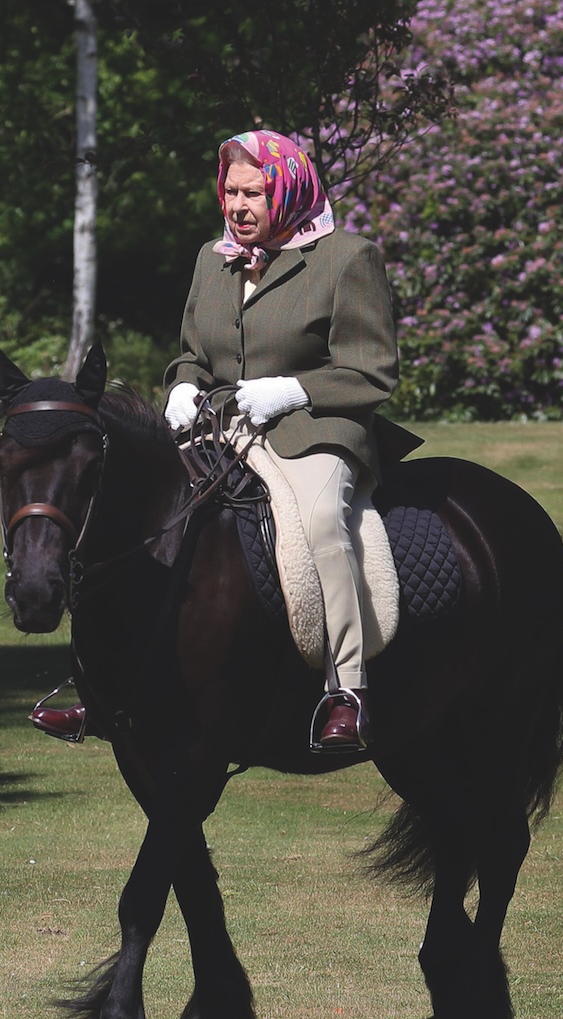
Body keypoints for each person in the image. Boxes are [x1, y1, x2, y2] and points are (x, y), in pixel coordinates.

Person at [32, 129, 397, 750]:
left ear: (287, 188)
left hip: (314, 430)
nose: (237, 206)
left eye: (253, 192)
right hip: (220, 430)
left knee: (320, 524)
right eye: (230, 192)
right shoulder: (214, 256)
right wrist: (181, 386)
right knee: (125, 514)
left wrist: (293, 390)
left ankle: (347, 689)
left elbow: (372, 371)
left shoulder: (348, 258)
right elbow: (193, 356)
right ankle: (97, 689)